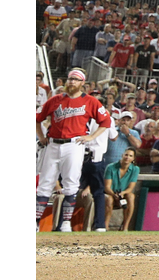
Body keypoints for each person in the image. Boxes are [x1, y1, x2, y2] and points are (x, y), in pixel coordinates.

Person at [36, 68, 112, 232]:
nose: (72, 82)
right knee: (45, 183)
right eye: (70, 79)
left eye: (76, 79)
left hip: (74, 144)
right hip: (53, 144)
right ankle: (35, 222)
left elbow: (105, 121)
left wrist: (91, 137)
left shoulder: (90, 101)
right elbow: (37, 118)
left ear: (82, 83)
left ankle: (65, 223)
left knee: (71, 183)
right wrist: (41, 136)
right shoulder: (55, 99)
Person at [103, 147, 140, 231]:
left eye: (130, 156)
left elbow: (131, 187)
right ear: (122, 155)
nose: (127, 157)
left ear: (133, 158)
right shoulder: (111, 167)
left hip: (123, 194)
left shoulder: (135, 169)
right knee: (109, 199)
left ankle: (125, 227)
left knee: (131, 196)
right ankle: (105, 226)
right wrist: (113, 194)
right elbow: (107, 187)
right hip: (110, 193)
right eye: (126, 155)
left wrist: (122, 193)